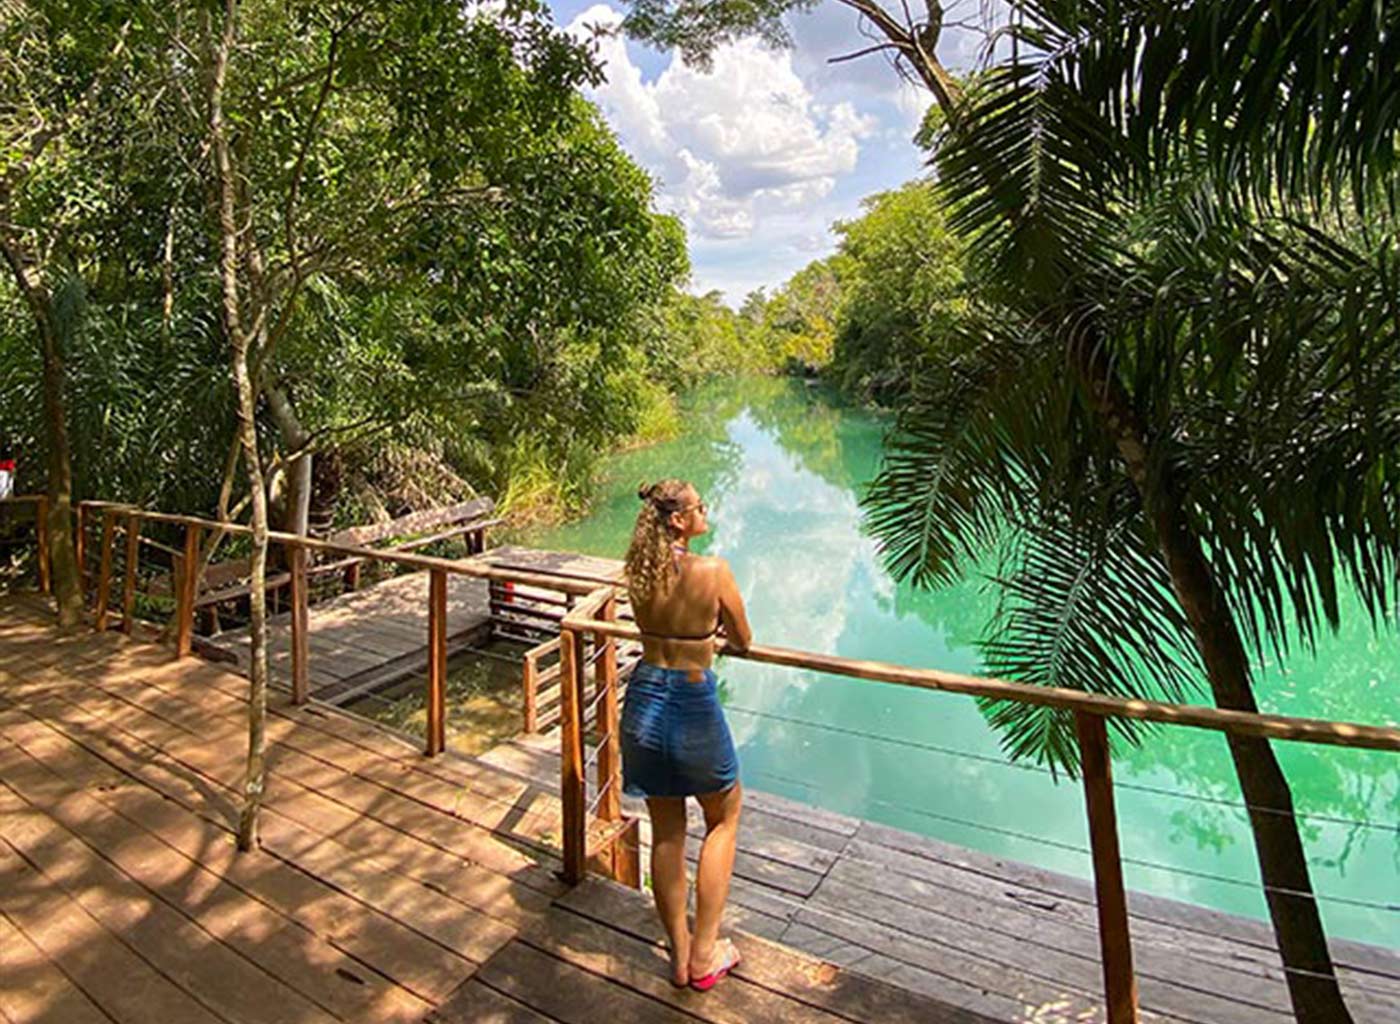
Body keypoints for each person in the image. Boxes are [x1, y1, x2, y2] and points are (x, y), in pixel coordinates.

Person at [622, 478, 752, 992]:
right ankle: (705, 953)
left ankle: (678, 954)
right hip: (693, 699)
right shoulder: (713, 570)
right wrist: (715, 637)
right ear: (678, 520)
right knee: (724, 816)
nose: (706, 512)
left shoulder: (637, 572)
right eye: (700, 506)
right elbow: (744, 637)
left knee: (667, 828)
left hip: (645, 695)